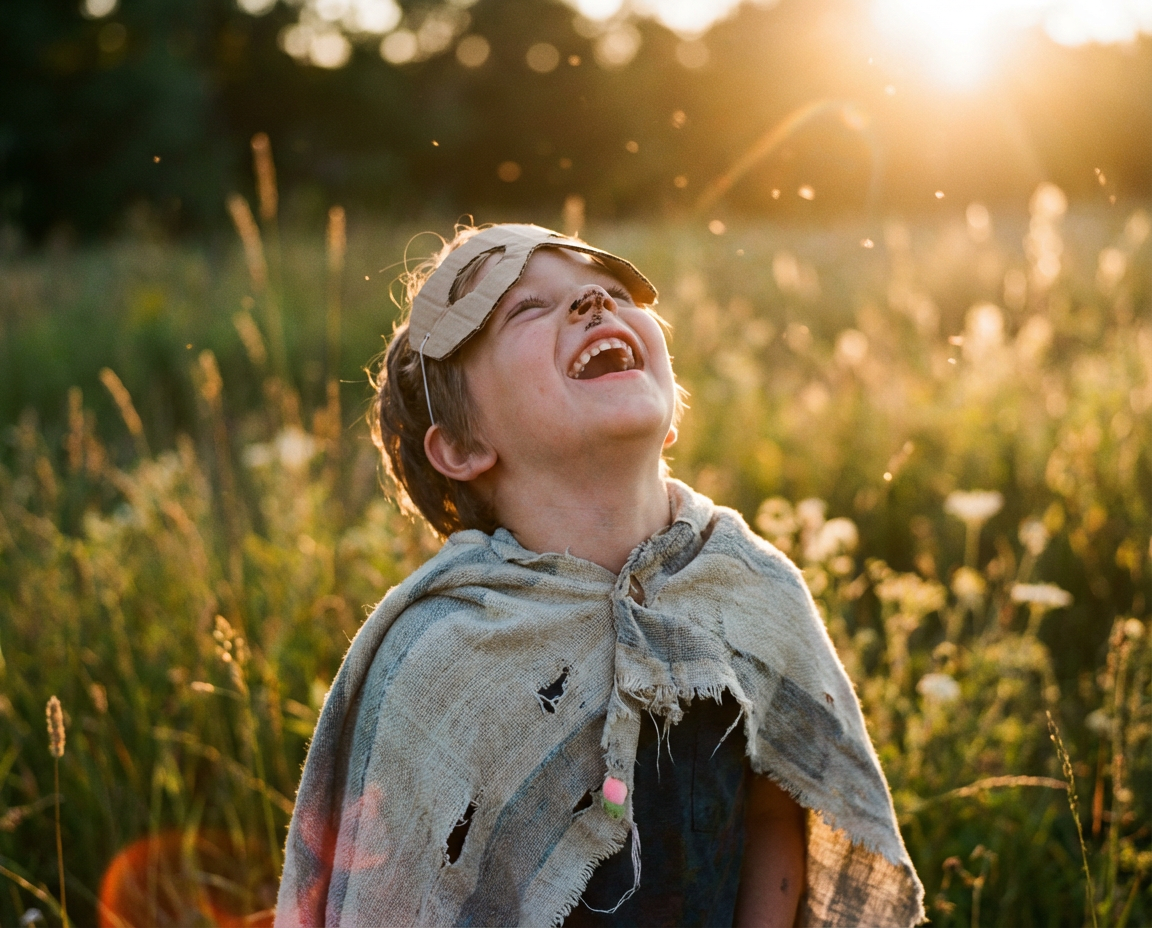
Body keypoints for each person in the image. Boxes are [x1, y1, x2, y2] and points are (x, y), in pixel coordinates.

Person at [275, 224, 924, 927]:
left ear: (671, 414)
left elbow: (778, 808)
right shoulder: (441, 663)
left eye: (614, 292)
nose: (593, 300)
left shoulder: (747, 586)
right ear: (462, 446)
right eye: (525, 309)